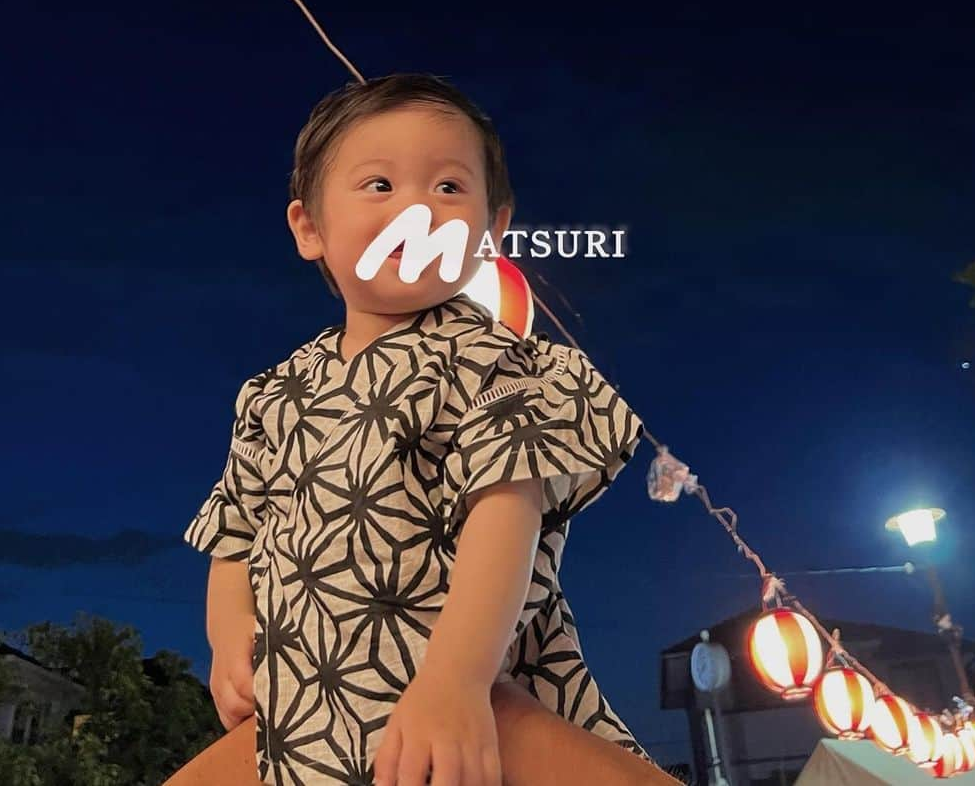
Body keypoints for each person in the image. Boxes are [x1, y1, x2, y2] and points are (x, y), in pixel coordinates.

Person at [183, 72, 654, 786]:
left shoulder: (499, 361)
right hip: (307, 703)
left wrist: (456, 682)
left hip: (470, 686)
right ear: (310, 227)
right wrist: (228, 640)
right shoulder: (272, 394)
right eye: (379, 185)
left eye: (449, 189)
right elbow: (235, 534)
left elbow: (507, 514)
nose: (417, 209)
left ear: (492, 230)